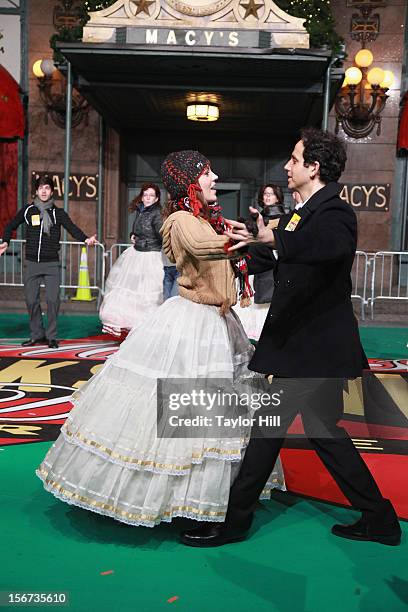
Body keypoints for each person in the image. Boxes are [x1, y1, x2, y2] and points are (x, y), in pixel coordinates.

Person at [36, 151, 284, 527]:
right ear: (189, 182)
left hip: (218, 320)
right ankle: (167, 493)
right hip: (193, 320)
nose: (214, 177)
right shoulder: (182, 219)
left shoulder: (204, 217)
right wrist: (250, 237)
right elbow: (203, 248)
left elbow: (221, 253)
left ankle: (207, 493)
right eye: (206, 173)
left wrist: (250, 239)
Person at [181, 128, 402, 547]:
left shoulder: (334, 210)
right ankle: (380, 518)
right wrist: (243, 245)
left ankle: (234, 523)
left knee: (267, 432)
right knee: (324, 433)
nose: (287, 166)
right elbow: (277, 255)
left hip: (312, 346)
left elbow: (328, 248)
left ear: (314, 167)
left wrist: (276, 237)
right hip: (307, 346)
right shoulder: (302, 210)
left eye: (295, 159)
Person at [0, 174, 97, 348]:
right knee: (31, 300)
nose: (44, 191)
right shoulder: (28, 210)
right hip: (32, 263)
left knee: (53, 301)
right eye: (41, 188)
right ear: (36, 191)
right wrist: (6, 241)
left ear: (52, 191)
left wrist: (85, 239)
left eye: (47, 188)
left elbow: (72, 228)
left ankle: (51, 337)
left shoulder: (58, 213)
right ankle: (37, 335)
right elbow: (11, 225)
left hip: (51, 264)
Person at [99, 183, 164, 337]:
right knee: (128, 292)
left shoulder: (157, 214)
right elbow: (138, 229)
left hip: (151, 256)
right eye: (145, 195)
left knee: (148, 294)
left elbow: (161, 235)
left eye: (151, 196)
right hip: (137, 253)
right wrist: (133, 235)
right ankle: (127, 326)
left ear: (156, 199)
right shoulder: (141, 211)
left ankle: (147, 329)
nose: (147, 198)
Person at [233, 184, 284, 340]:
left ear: (278, 197)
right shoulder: (258, 217)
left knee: (267, 307)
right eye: (265, 194)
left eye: (271, 194)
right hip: (255, 268)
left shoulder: (283, 218)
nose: (268, 197)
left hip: (272, 269)